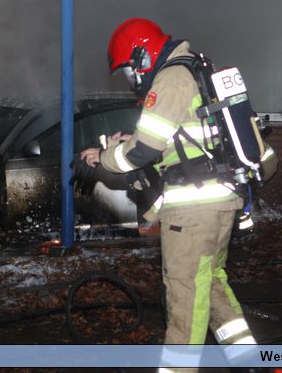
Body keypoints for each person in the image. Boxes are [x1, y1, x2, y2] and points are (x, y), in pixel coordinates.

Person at [78, 18, 268, 362]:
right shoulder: (191, 69)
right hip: (216, 199)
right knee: (209, 283)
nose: (131, 79)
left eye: (128, 70)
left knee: (184, 295)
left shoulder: (171, 77)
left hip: (193, 211)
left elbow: (142, 151)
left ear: (142, 56)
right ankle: (248, 361)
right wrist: (127, 141)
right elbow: (182, 140)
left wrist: (105, 158)